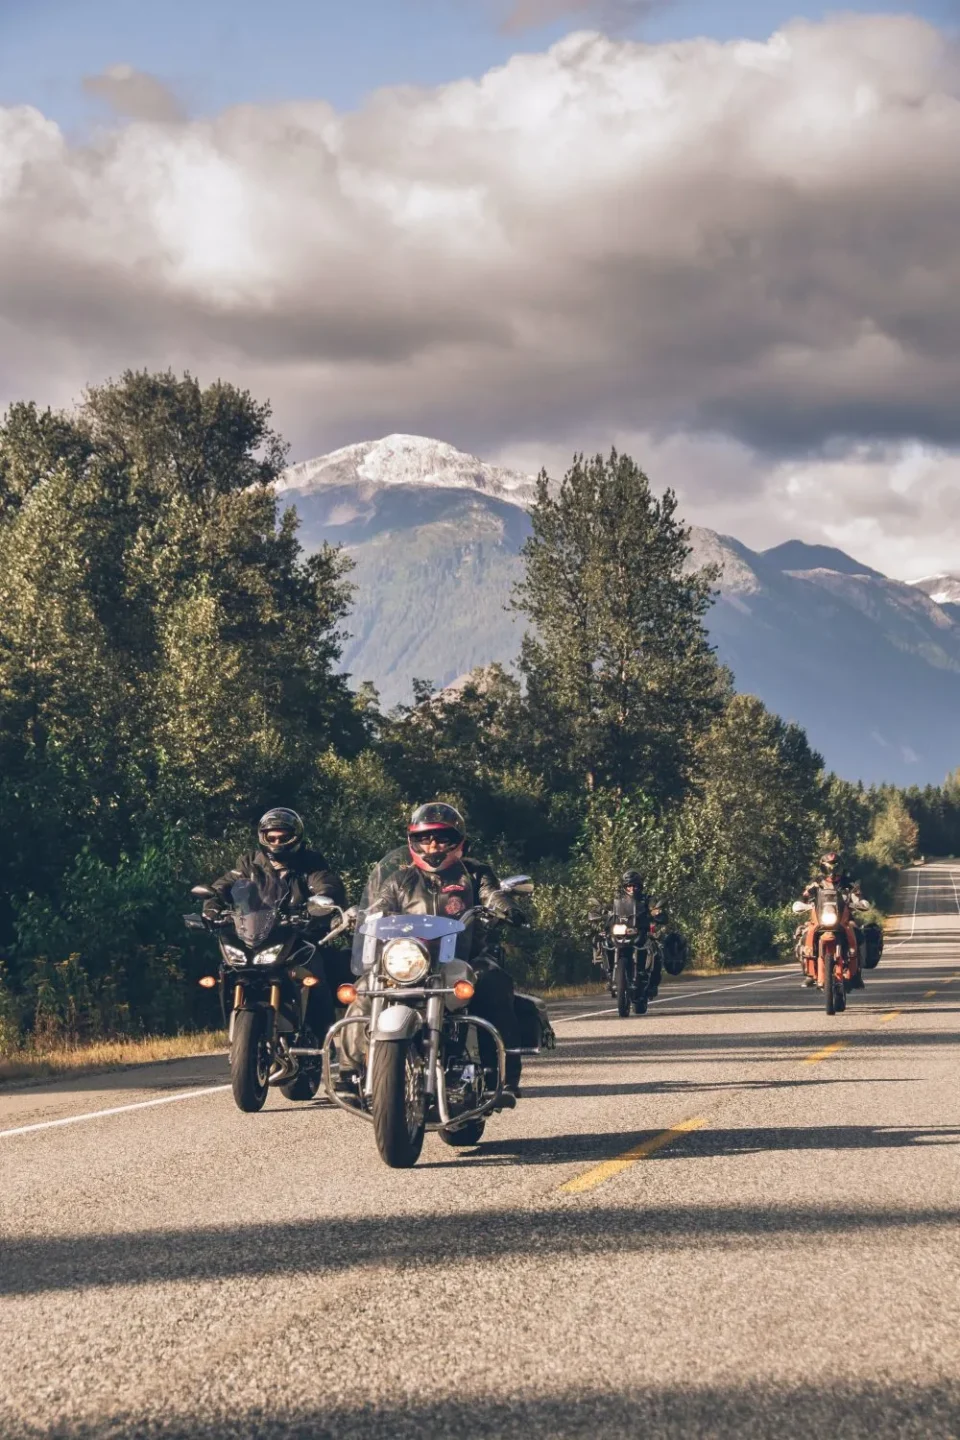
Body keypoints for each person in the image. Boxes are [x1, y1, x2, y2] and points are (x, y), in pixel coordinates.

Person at [367, 802, 528, 1099]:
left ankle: (503, 1077)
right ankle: (354, 1070)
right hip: (411, 960)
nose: (433, 845)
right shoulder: (400, 878)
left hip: (466, 957)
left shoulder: (475, 872)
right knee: (365, 988)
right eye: (425, 838)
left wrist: (504, 906)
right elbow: (377, 908)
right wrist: (359, 917)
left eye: (442, 838)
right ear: (413, 841)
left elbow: (490, 893)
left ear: (458, 841)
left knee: (494, 984)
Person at [204, 808, 352, 1034]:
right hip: (258, 933)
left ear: (296, 837)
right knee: (226, 969)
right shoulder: (249, 863)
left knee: (317, 968)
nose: (277, 841)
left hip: (299, 934)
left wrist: (320, 903)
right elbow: (225, 884)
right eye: (271, 837)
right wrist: (213, 904)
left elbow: (326, 884)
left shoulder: (311, 863)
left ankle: (323, 1032)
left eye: (283, 837)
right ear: (262, 837)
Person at [799, 851, 866, 991]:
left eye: (836, 868)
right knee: (807, 931)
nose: (833, 872)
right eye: (829, 868)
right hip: (820, 917)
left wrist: (858, 901)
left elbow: (856, 895)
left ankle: (856, 973)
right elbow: (805, 896)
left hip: (843, 917)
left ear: (841, 868)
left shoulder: (849, 882)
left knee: (856, 931)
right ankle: (810, 973)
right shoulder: (816, 882)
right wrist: (803, 901)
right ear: (823, 868)